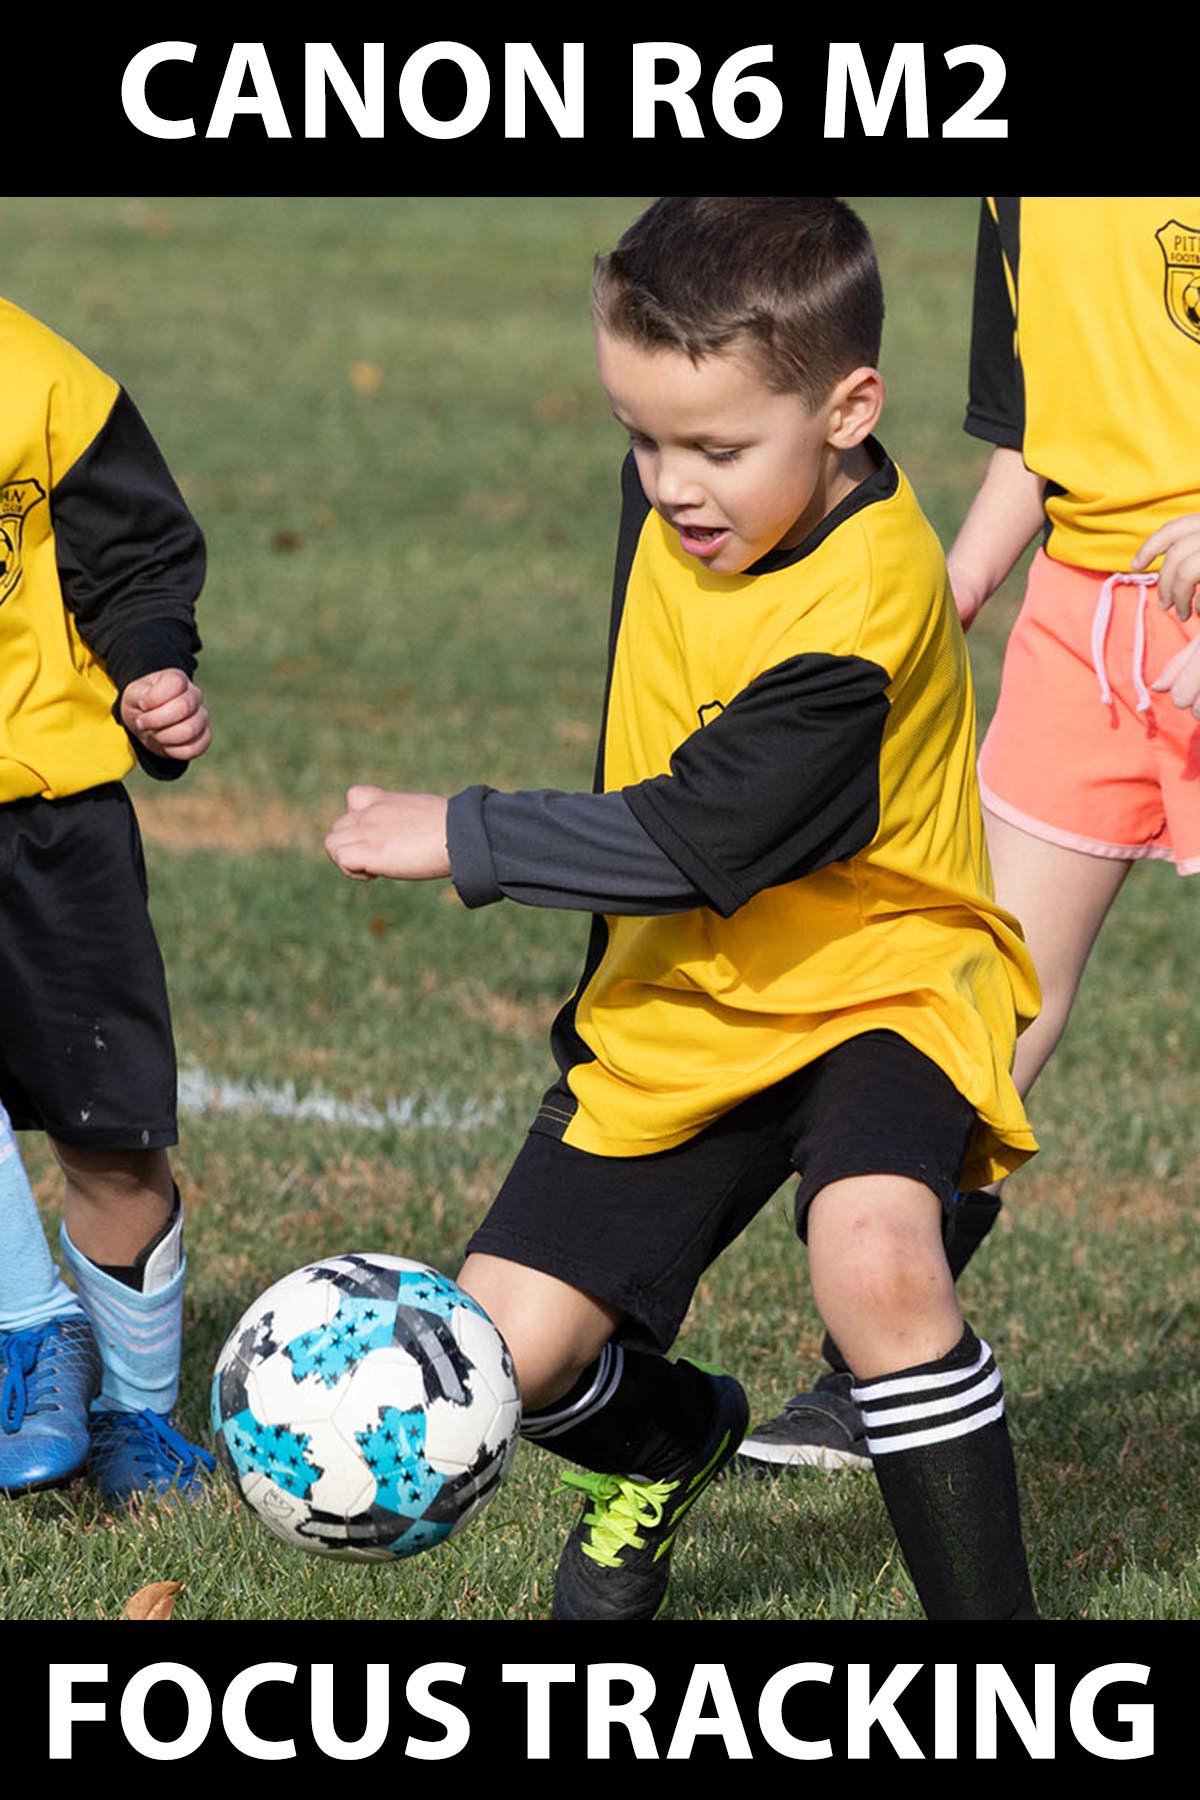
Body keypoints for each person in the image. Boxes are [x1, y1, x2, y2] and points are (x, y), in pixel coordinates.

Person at [326, 195, 1042, 1621]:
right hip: (685, 998)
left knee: (876, 1263)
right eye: (639, 435)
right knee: (505, 1361)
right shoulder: (697, 480)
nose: (669, 484)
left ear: (850, 411)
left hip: (874, 982)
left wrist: (465, 831)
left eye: (714, 448)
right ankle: (670, 1441)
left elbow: (699, 833)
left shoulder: (864, 614)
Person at [736, 195, 1200, 1476]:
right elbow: (1033, 438)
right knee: (985, 997)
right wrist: (945, 596)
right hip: (1083, 616)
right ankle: (880, 1368)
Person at [0, 295, 215, 1502]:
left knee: (115, 1144)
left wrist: (153, 670)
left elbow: (133, 552)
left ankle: (138, 1422)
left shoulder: (39, 379)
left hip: (53, 822)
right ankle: (31, 1328)